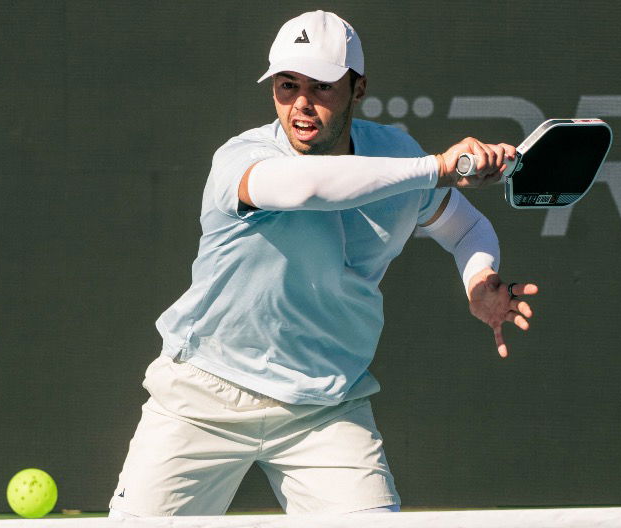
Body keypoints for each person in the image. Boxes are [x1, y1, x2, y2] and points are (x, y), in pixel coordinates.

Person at [107, 10, 536, 518]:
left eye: (322, 87)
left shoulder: (395, 156)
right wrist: (439, 168)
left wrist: (479, 277)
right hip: (203, 395)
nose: (301, 104)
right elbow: (309, 186)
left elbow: (465, 227)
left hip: (326, 406)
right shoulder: (241, 159)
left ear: (357, 90)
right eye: (287, 86)